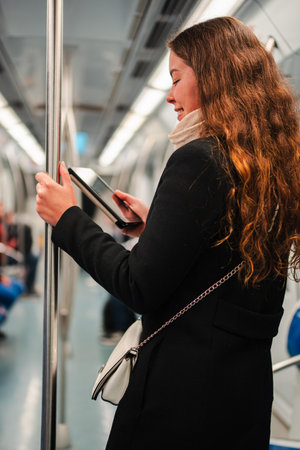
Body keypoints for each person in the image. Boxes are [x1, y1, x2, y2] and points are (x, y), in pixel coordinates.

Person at [35, 17, 300, 450]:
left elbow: (137, 285)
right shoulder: (268, 164)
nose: (169, 94)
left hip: (182, 399)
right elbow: (222, 254)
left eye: (176, 78)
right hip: (241, 396)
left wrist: (68, 219)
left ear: (213, 78)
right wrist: (157, 227)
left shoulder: (198, 158)